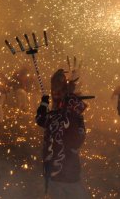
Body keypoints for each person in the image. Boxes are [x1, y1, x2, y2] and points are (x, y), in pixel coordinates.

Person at [35, 69, 89, 198]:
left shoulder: (54, 116)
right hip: (63, 171)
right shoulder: (63, 115)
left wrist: (43, 104)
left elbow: (40, 119)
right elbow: (78, 141)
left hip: (58, 169)